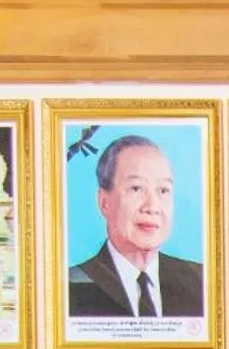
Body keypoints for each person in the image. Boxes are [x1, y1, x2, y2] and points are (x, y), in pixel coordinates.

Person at [66, 135, 205, 319]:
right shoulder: (71, 286)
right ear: (104, 202)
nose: (152, 207)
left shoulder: (200, 282)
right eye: (136, 188)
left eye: (163, 190)